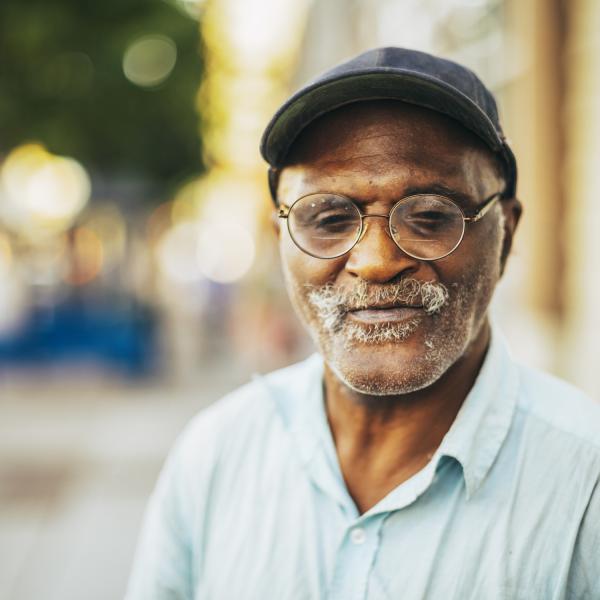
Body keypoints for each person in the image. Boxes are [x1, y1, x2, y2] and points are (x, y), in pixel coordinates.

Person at [125, 48, 600, 600]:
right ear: (281, 239)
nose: (375, 261)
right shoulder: (217, 453)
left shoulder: (584, 482)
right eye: (328, 219)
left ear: (507, 236)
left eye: (429, 216)